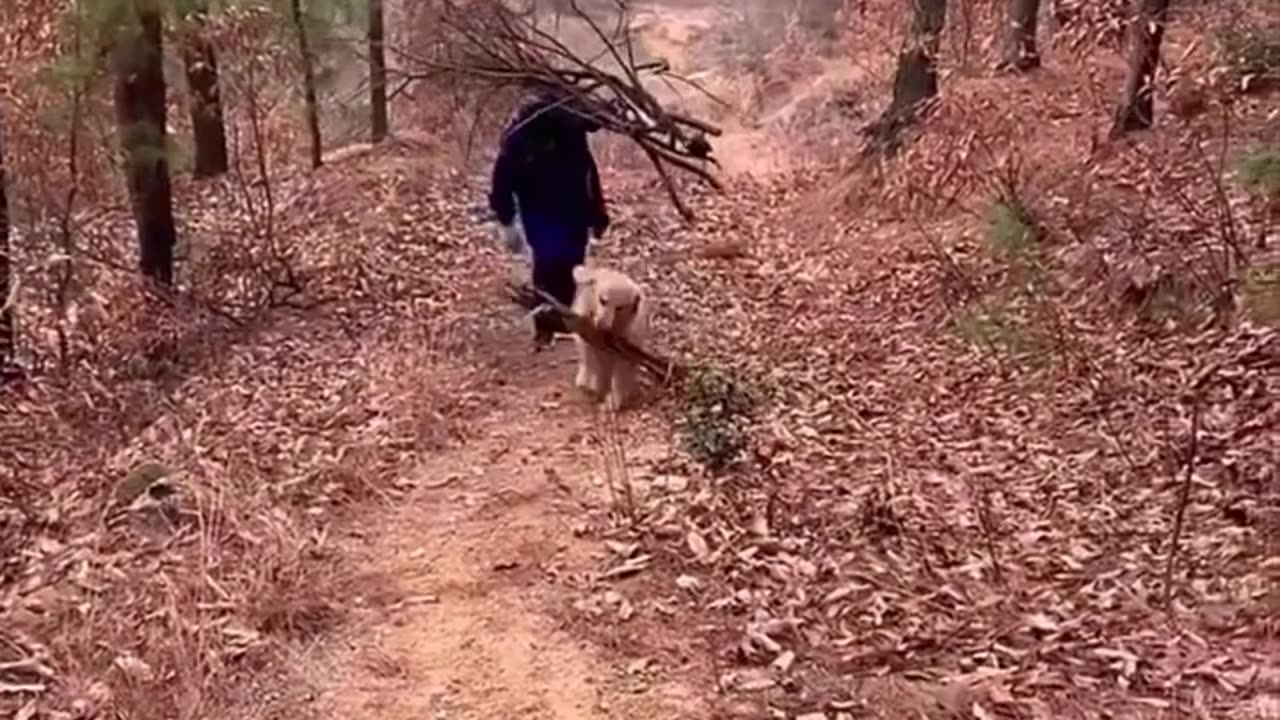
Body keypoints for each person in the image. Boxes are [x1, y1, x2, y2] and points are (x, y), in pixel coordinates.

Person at [489, 91, 610, 350]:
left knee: (572, 262)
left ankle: (567, 320)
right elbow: (502, 179)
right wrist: (506, 218)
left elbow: (589, 172)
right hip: (539, 208)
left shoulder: (572, 123)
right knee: (547, 259)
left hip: (574, 205)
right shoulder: (518, 136)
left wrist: (598, 213)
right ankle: (545, 324)